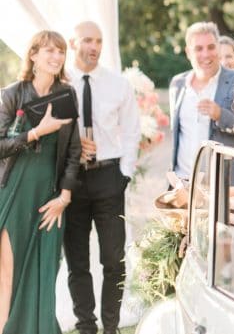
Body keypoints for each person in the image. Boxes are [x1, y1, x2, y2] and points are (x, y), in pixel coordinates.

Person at [0, 30, 80, 334]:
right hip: (14, 193)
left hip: (49, 195)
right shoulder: (12, 94)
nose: (57, 57)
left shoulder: (66, 95)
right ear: (33, 55)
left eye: (61, 52)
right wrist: (36, 132)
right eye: (49, 51)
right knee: (8, 271)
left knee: (45, 270)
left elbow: (73, 152)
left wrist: (65, 197)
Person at [64, 21, 141, 334]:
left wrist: (124, 174)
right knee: (77, 260)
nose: (93, 47)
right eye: (86, 40)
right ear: (73, 43)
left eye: (98, 41)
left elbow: (132, 131)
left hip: (109, 177)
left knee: (113, 259)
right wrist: (71, 146)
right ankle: (86, 326)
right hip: (70, 181)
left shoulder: (117, 84)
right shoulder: (60, 83)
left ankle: (111, 327)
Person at [170, 22, 234, 181]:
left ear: (218, 47)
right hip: (183, 181)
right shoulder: (178, 84)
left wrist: (220, 114)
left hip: (221, 185)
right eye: (198, 48)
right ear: (188, 52)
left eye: (211, 47)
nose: (206, 54)